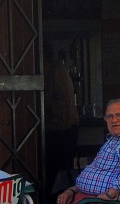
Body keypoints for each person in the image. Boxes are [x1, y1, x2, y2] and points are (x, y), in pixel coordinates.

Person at [56, 99, 120, 204]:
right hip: (89, 197)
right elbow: (95, 168)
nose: (114, 120)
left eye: (119, 115)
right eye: (109, 116)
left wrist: (110, 193)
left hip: (104, 201)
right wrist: (72, 190)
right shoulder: (117, 138)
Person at [44, 44, 79, 198]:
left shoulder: (55, 73)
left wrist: (47, 112)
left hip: (61, 131)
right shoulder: (58, 72)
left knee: (56, 173)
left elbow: (62, 104)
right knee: (58, 172)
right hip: (63, 130)